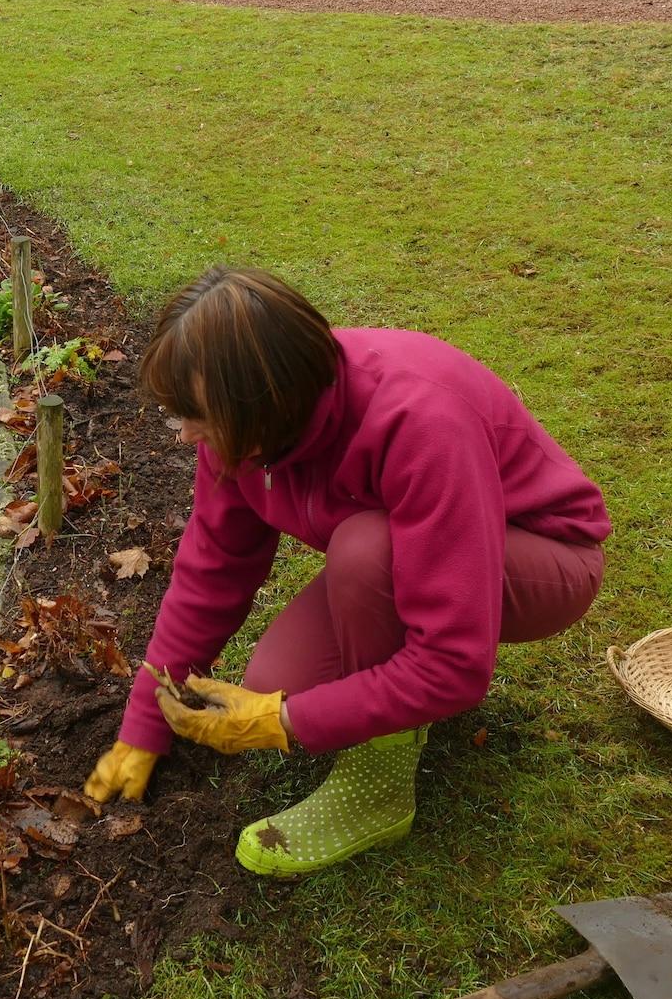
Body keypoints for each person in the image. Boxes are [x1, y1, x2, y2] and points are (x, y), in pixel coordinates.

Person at [83, 266, 609, 876]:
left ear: (264, 401)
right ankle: (383, 700)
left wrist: (280, 722)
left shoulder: (420, 420)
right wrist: (144, 724)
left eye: (195, 415)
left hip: (542, 558)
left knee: (363, 554)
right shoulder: (240, 434)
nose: (185, 436)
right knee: (282, 676)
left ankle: (377, 788)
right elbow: (212, 570)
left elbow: (455, 665)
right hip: (404, 545)